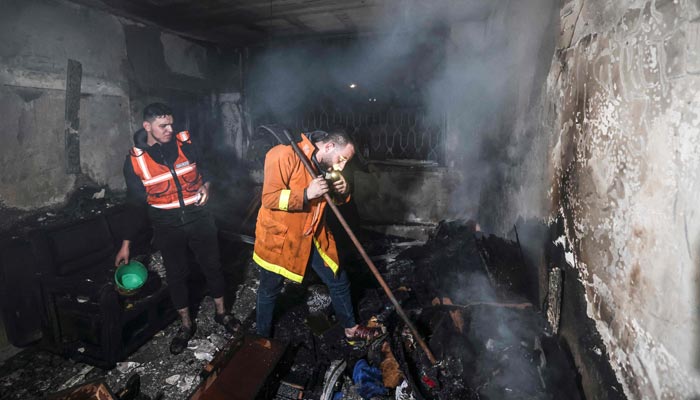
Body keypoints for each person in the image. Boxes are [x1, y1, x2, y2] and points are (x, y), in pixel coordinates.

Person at [114, 102, 240, 355]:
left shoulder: (187, 143)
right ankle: (185, 325)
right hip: (166, 224)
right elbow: (135, 203)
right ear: (147, 126)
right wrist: (126, 242)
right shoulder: (136, 161)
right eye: (163, 126)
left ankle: (222, 314)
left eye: (171, 123)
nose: (170, 129)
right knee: (176, 274)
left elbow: (210, 168)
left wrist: (207, 186)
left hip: (199, 216)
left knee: (213, 265)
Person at [253, 129, 382, 344]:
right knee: (269, 289)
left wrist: (342, 190)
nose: (341, 167)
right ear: (329, 147)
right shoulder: (283, 154)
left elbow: (331, 201)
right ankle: (260, 340)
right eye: (341, 160)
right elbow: (269, 198)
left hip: (313, 235)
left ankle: (350, 328)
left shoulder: (323, 166)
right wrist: (305, 194)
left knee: (338, 279)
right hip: (281, 239)